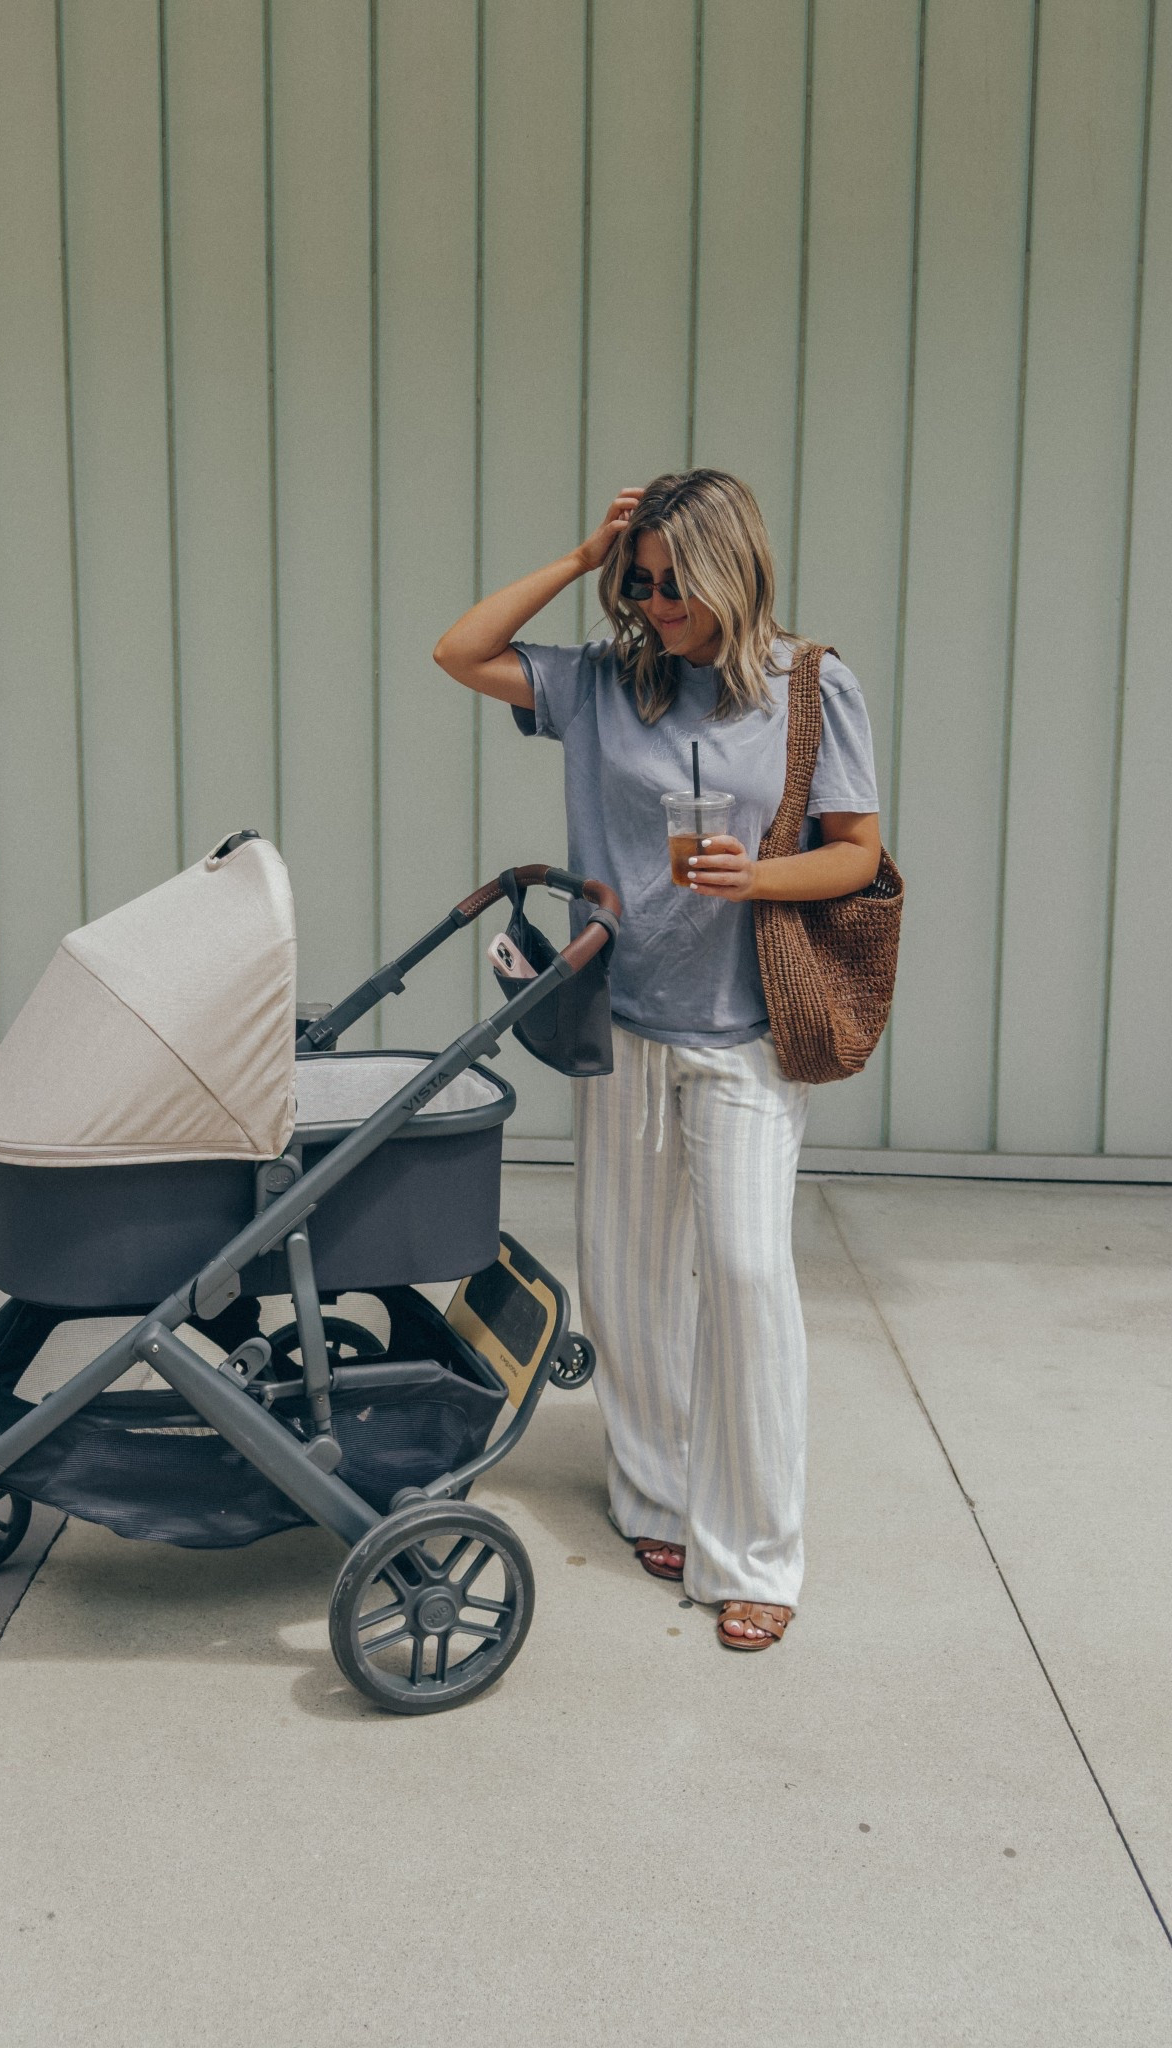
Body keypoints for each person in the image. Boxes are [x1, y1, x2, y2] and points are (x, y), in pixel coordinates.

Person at [433, 470, 881, 1650]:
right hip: (622, 1020)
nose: (659, 602)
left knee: (743, 1277)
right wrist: (586, 555)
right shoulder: (603, 681)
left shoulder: (807, 687)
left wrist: (758, 877)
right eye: (644, 581)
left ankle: (760, 1553)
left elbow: (859, 855)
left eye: (678, 581)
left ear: (736, 568)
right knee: (627, 1279)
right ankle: (653, 1492)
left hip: (741, 1036)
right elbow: (459, 649)